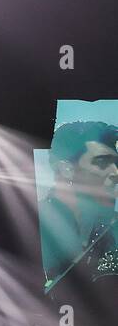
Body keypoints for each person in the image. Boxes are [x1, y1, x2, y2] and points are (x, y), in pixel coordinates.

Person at [39, 121, 118, 292]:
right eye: (102, 162)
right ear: (66, 169)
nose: (116, 173)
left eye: (117, 163)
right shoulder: (31, 220)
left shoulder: (113, 226)